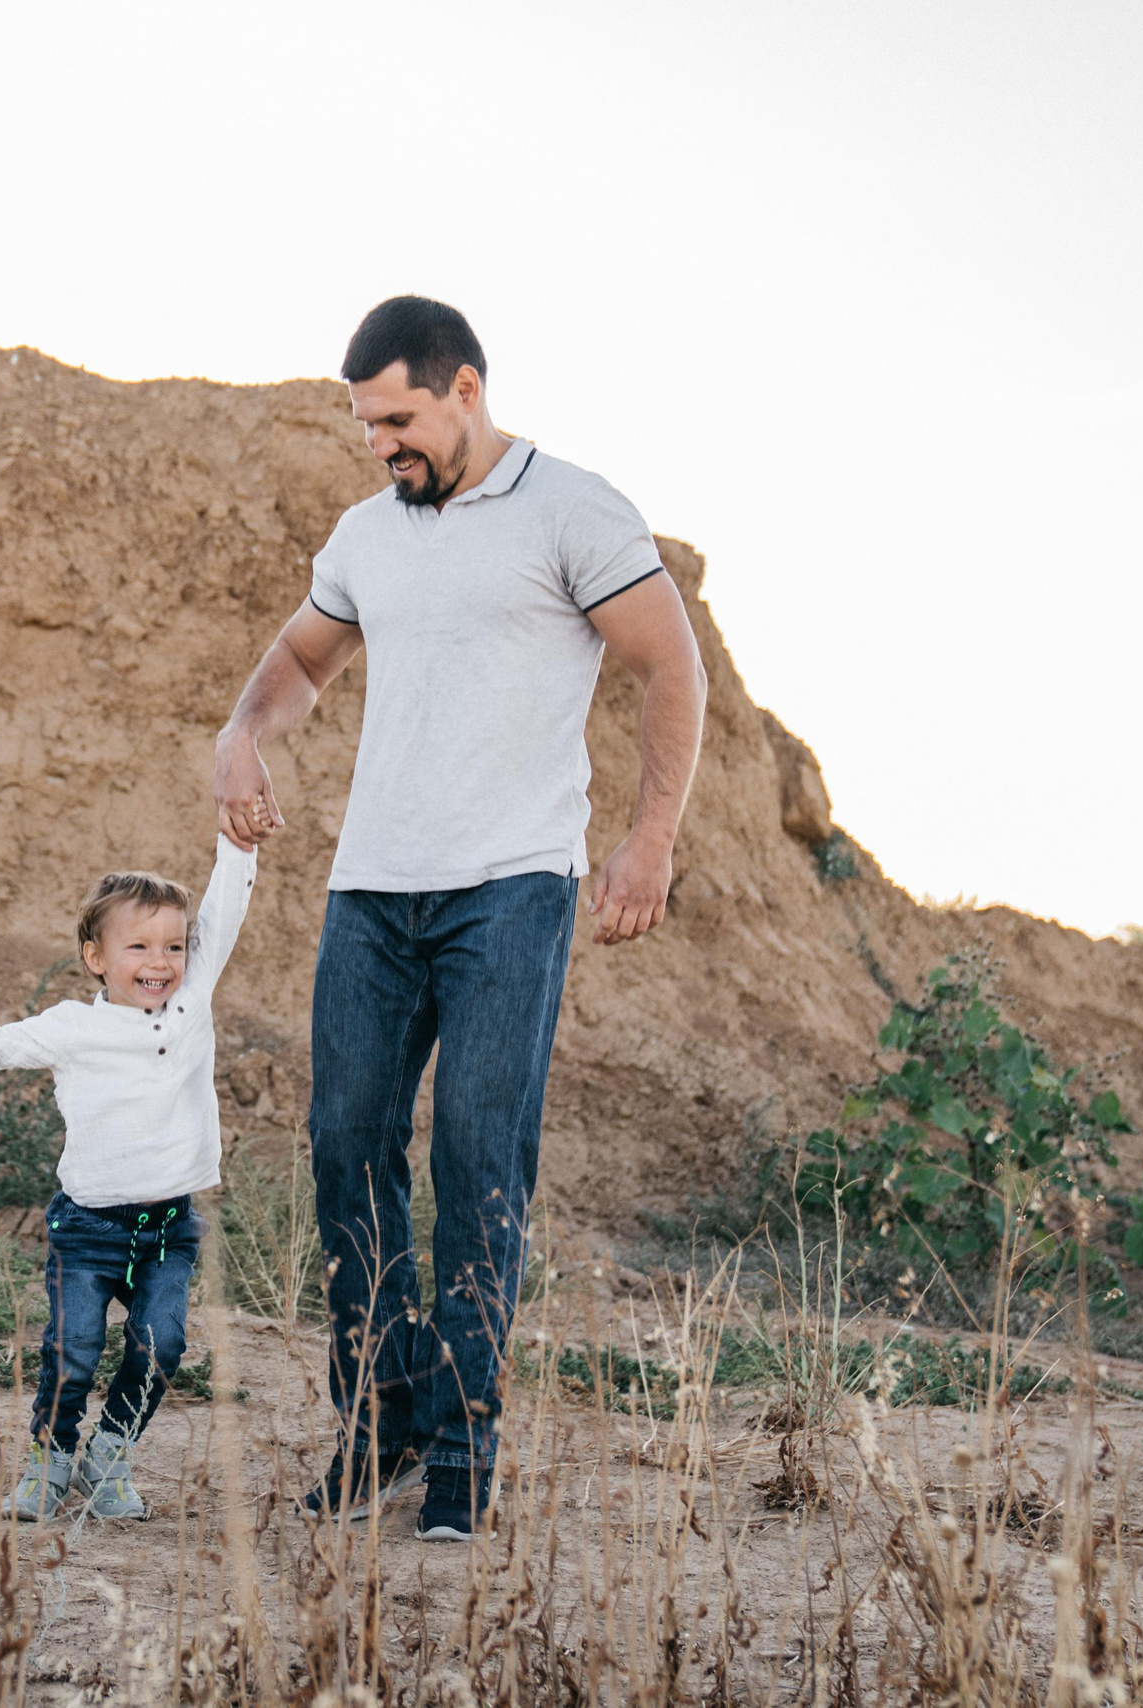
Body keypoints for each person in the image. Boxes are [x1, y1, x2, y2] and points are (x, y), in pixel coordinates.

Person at [212, 296, 707, 1541]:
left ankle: (464, 1454)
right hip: (372, 889)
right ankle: (381, 1417)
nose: (382, 444)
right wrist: (242, 733)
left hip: (512, 886)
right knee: (345, 1147)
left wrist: (648, 837)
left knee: (478, 1158)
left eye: (399, 418)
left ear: (465, 389)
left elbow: (669, 662)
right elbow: (301, 662)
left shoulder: (572, 509)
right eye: (366, 424)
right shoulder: (365, 535)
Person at [0, 832, 259, 1521]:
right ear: (95, 958)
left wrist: (236, 843)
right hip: (88, 1227)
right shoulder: (72, 1027)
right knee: (73, 1349)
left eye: (173, 946)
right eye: (138, 947)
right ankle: (49, 1460)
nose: (160, 962)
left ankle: (109, 1451)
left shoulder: (191, 1006)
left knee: (163, 1343)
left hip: (168, 1225)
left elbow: (224, 911)